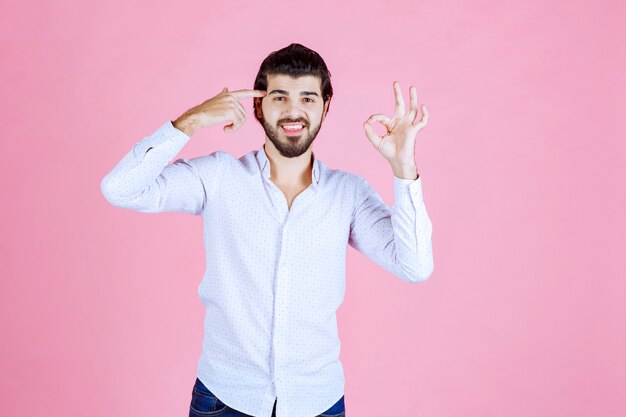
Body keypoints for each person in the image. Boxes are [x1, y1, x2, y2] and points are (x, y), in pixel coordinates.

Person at [100, 43, 433, 417]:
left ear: (325, 107)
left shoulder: (349, 193)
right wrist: (189, 121)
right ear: (258, 107)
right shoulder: (219, 177)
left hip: (317, 401)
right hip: (223, 399)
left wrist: (404, 166)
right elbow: (121, 189)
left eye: (308, 98)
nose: (294, 111)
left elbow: (415, 266)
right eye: (280, 97)